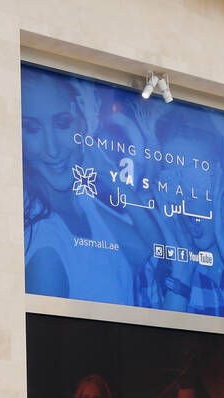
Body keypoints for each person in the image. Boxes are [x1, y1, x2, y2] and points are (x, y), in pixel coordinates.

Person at [21, 68, 152, 302]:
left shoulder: (80, 202)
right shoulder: (46, 251)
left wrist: (106, 171)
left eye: (62, 123)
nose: (52, 149)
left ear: (83, 122)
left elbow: (146, 249)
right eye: (32, 128)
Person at [146, 111, 224, 321]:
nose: (184, 197)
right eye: (172, 181)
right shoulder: (153, 271)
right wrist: (182, 271)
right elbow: (160, 351)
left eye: (196, 178)